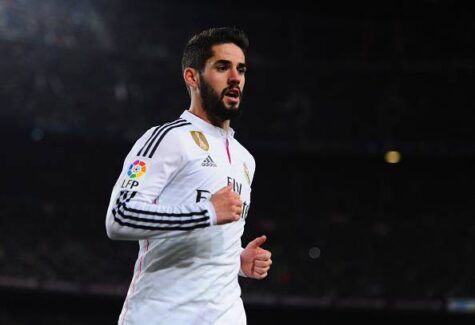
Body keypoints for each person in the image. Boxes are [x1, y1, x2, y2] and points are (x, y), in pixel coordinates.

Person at [105, 27, 272, 325]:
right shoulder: (166, 138)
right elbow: (119, 217)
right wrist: (205, 212)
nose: (235, 78)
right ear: (192, 77)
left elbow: (213, 239)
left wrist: (239, 262)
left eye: (241, 69)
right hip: (162, 316)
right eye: (222, 67)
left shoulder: (246, 159)